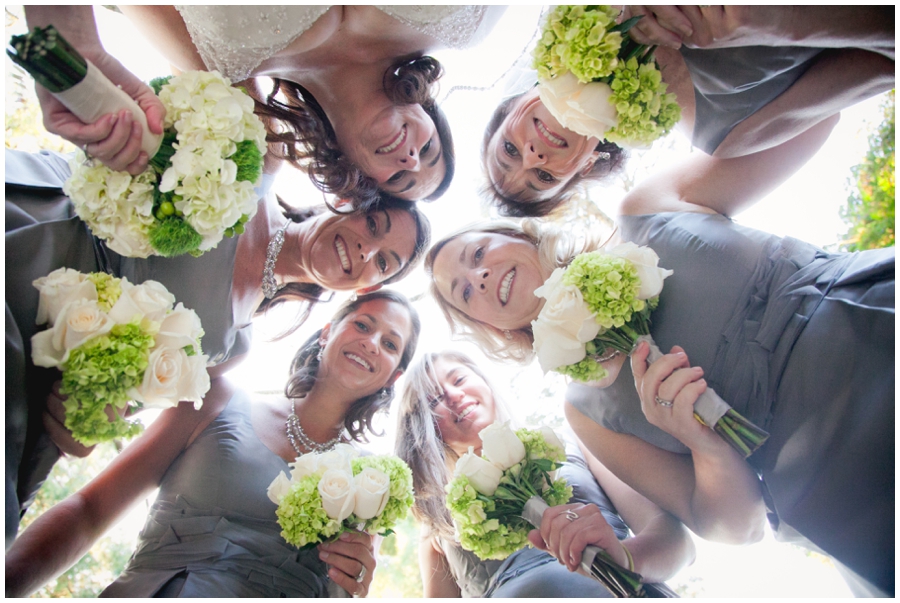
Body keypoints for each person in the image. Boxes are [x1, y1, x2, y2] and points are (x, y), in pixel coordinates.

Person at [427, 118, 895, 595]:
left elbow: (815, 119)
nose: (480, 277)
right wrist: (703, 442)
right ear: (493, 327)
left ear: (520, 235)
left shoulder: (644, 209)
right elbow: (738, 526)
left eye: (478, 252)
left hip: (875, 316)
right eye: (465, 292)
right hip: (837, 488)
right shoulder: (587, 410)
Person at [5, 147, 431, 547]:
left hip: (26, 368)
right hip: (30, 238)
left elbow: (111, 408)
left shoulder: (233, 350)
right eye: (373, 225)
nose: (366, 249)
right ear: (351, 201)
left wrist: (81, 425)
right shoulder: (257, 169)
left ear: (365, 286)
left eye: (382, 262)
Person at [5, 290, 421, 597]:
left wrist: (357, 579)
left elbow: (347, 585)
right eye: (363, 324)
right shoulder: (215, 397)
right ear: (328, 333)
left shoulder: (372, 482)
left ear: (393, 376)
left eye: (390, 344)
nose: (371, 342)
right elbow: (89, 511)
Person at [22, 6, 506, 206]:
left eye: (402, 178)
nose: (409, 158)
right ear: (430, 117)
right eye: (430, 152)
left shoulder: (214, 68)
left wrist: (69, 48)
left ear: (356, 175)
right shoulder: (463, 22)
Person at [483, 5, 894, 217]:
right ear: (586, 165)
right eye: (542, 177)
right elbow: (886, 63)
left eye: (509, 151)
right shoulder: (722, 131)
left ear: (514, 105)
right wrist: (778, 21)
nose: (533, 157)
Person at [395, 350, 694, 597]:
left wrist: (625, 558)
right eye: (433, 401)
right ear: (425, 429)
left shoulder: (576, 441)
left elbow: (677, 541)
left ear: (484, 382)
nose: (453, 396)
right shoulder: (438, 523)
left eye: (459, 379)